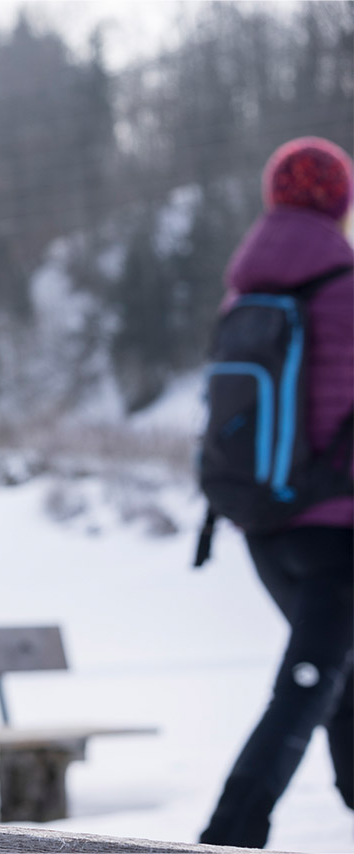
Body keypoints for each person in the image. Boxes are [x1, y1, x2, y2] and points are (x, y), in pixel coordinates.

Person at [200, 137, 354, 847]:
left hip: (265, 527)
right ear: (341, 203)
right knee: (306, 686)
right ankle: (227, 836)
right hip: (336, 532)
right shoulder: (346, 285)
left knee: (336, 672)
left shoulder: (246, 288)